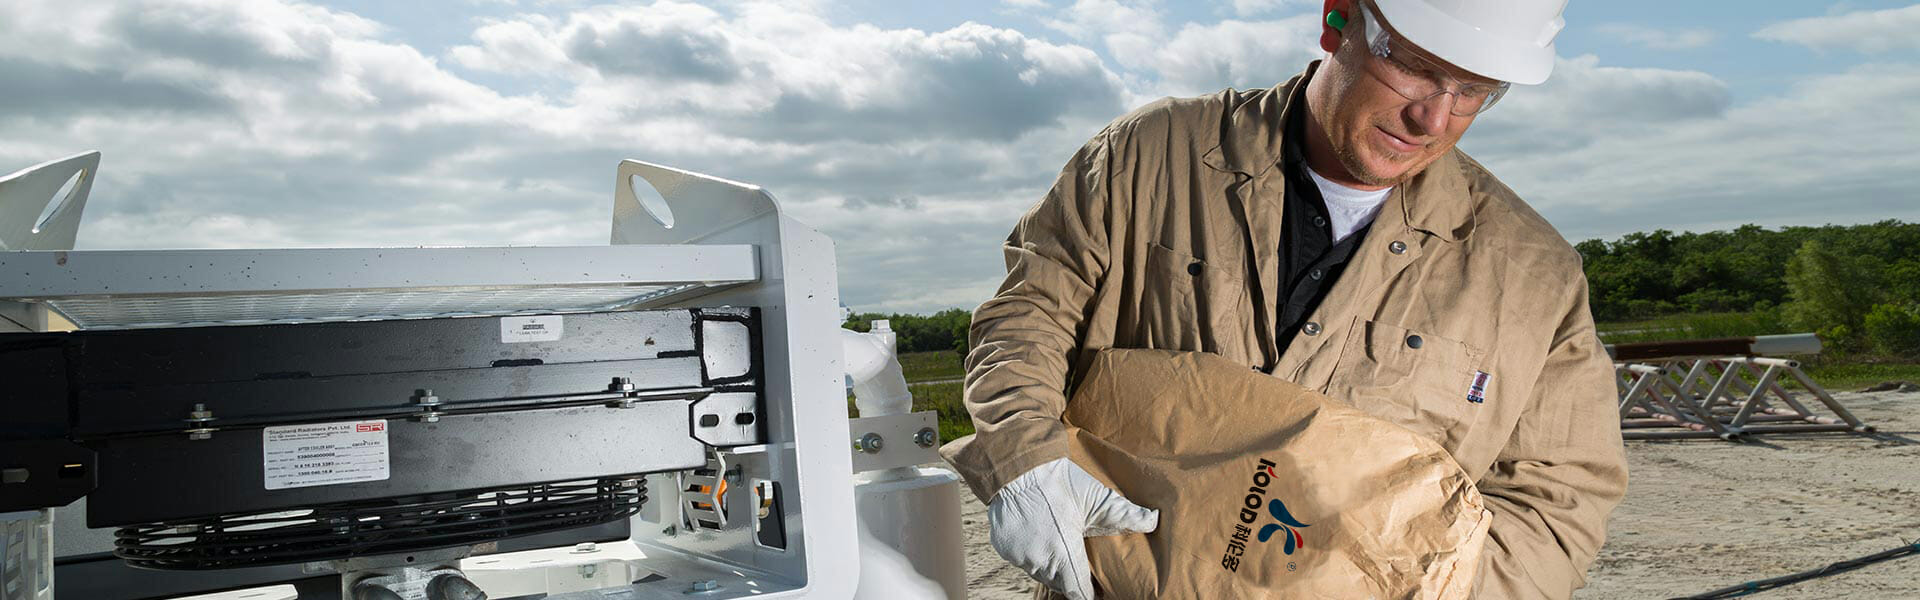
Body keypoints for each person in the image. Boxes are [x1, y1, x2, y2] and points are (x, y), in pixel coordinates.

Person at [939, 0, 1629, 598]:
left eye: (1474, 90)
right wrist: (1025, 459)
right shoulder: (1149, 155)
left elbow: (1560, 495)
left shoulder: (1536, 275)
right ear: (1339, 19)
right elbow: (1029, 314)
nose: (1432, 118)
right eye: (1416, 67)